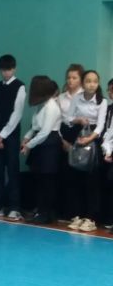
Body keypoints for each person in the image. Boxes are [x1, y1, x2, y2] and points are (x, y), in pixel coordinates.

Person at [63, 70, 107, 232]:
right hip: (78, 134)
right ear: (83, 83)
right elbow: (68, 118)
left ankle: (91, 218)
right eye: (88, 81)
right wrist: (78, 120)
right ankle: (77, 215)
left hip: (93, 139)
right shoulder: (77, 98)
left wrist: (90, 139)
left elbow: (101, 125)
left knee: (92, 180)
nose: (91, 84)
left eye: (95, 81)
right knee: (75, 178)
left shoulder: (102, 101)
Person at [0, 55, 26, 221]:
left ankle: (15, 207)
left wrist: (2, 135)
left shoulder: (20, 86)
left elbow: (17, 114)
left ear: (14, 69)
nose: (5, 73)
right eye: (2, 70)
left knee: (13, 172)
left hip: (11, 136)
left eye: (8, 69)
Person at [21, 76, 61, 224]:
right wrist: (26, 137)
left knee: (47, 181)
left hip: (49, 144)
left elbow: (45, 132)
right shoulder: (41, 105)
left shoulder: (51, 106)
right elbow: (35, 127)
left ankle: (46, 212)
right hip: (40, 143)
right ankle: (40, 210)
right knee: (39, 179)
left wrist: (28, 145)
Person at [56, 64, 84, 222]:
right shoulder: (61, 97)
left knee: (77, 177)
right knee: (63, 175)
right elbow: (57, 121)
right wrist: (62, 140)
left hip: (80, 136)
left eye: (74, 78)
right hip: (63, 136)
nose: (70, 80)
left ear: (81, 80)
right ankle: (64, 212)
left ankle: (78, 213)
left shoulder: (85, 97)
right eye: (68, 77)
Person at [99, 78, 113, 231]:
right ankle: (108, 218)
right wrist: (107, 150)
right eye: (110, 90)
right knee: (108, 185)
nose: (111, 92)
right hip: (107, 152)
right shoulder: (108, 109)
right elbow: (108, 133)